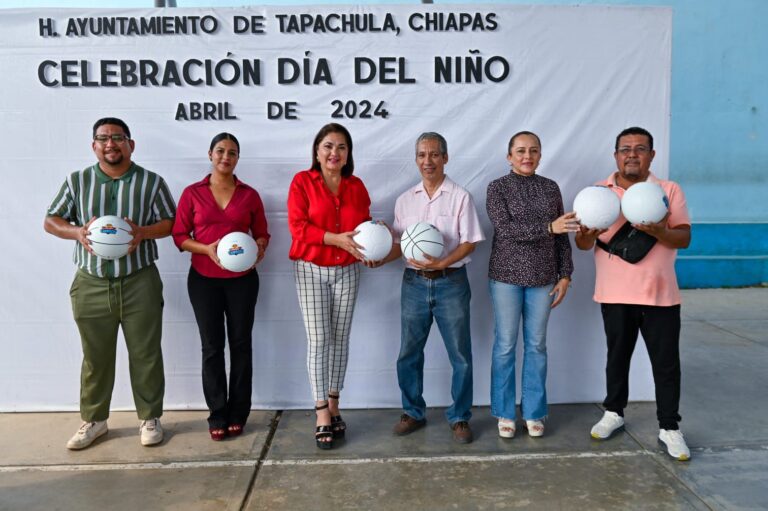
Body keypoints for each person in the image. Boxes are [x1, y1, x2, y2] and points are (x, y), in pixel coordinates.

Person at [44, 117, 176, 449]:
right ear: (94, 146)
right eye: (103, 138)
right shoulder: (77, 181)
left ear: (131, 144)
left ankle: (149, 417)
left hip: (139, 278)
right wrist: (77, 232)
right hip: (91, 280)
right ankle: (95, 419)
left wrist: (142, 232)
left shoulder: (151, 182)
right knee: (95, 355)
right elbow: (51, 220)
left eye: (118, 137)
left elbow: (171, 222)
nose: (111, 143)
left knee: (145, 353)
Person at [575, 126, 692, 461]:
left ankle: (669, 427)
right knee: (617, 356)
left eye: (640, 148)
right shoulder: (598, 193)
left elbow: (684, 238)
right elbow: (583, 245)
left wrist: (659, 230)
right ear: (616, 155)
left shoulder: (667, 190)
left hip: (660, 295)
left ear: (651, 156)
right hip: (614, 293)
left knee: (666, 364)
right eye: (625, 148)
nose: (632, 154)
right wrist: (587, 232)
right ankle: (614, 412)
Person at [377, 132, 485, 444]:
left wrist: (443, 263)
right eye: (422, 155)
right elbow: (400, 246)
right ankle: (412, 412)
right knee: (408, 353)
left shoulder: (460, 196)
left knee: (460, 355)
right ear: (416, 159)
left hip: (451, 282)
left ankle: (460, 416)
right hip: (413, 284)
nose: (428, 161)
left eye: (435, 155)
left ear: (445, 158)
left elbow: (470, 243)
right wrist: (381, 258)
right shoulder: (404, 200)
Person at [172, 133, 270, 441]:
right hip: (203, 281)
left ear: (238, 158)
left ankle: (238, 413)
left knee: (241, 346)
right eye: (220, 151)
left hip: (242, 281)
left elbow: (262, 233)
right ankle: (217, 412)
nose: (225, 157)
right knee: (212, 348)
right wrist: (206, 249)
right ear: (210, 154)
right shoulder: (192, 193)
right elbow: (179, 235)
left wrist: (260, 248)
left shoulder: (250, 194)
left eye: (232, 152)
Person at [287, 123, 375, 450]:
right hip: (310, 268)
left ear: (348, 153)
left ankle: (335, 402)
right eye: (327, 146)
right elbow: (298, 228)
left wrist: (373, 236)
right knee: (319, 338)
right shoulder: (302, 182)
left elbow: (362, 225)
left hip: (347, 270)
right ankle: (321, 411)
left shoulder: (356, 186)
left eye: (341, 147)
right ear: (316, 150)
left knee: (340, 337)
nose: (334, 153)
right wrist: (335, 238)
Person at [486, 131, 576, 439]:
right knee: (505, 346)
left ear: (540, 155)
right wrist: (549, 227)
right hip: (506, 277)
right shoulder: (497, 188)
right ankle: (504, 412)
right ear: (509, 156)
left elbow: (562, 235)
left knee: (537, 346)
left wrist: (566, 274)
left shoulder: (550, 188)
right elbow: (506, 230)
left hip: (543, 279)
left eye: (533, 150)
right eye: (521, 151)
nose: (527, 156)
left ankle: (535, 412)